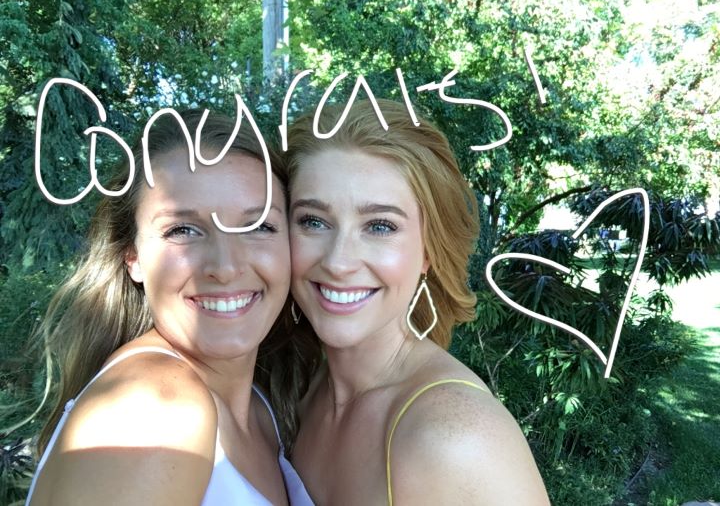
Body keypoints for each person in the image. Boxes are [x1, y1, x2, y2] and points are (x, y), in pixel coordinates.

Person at [26, 110, 318, 505]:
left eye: (258, 226)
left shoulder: (259, 406)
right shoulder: (156, 408)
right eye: (183, 230)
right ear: (133, 256)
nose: (226, 267)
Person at [285, 99, 550, 504]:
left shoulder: (457, 436)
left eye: (379, 226)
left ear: (427, 251)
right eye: (313, 221)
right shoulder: (307, 389)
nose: (338, 262)